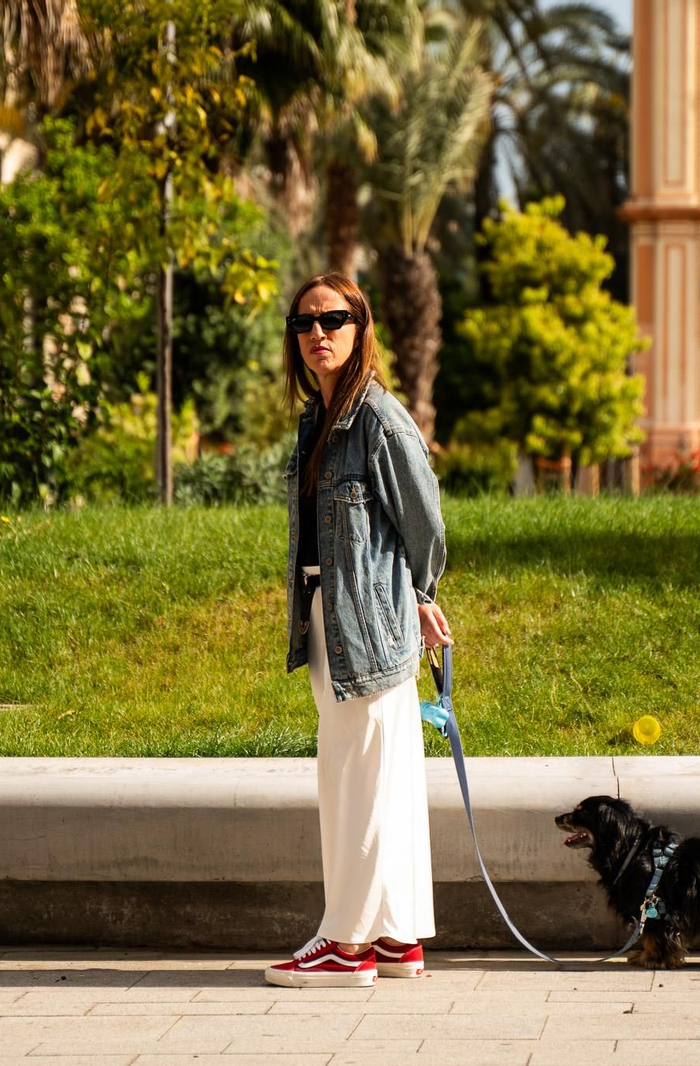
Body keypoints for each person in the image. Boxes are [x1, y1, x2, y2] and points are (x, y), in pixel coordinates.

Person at [265, 271, 453, 989]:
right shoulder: (320, 419)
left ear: (360, 326)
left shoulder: (379, 419)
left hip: (367, 624)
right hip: (329, 617)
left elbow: (425, 525)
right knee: (379, 780)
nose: (317, 334)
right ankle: (398, 939)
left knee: (358, 785)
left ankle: (347, 946)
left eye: (333, 319)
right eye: (304, 324)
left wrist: (420, 593)